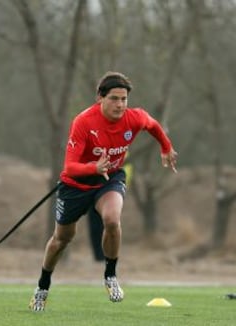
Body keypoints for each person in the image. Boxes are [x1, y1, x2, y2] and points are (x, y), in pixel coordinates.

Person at [29, 71, 177, 312]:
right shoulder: (84, 122)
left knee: (111, 218)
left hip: (109, 180)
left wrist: (166, 147)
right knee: (61, 240)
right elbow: (69, 166)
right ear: (100, 97)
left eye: (124, 99)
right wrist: (93, 167)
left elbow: (153, 125)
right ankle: (42, 288)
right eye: (114, 99)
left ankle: (110, 275)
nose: (120, 105)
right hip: (75, 185)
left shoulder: (134, 118)